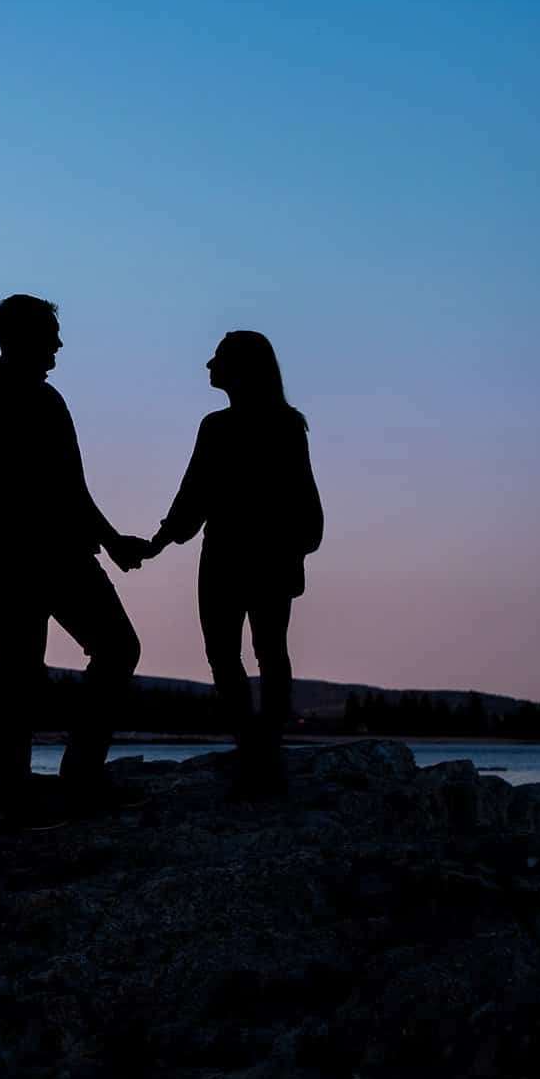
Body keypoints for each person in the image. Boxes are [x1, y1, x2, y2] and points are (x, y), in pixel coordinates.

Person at [0, 295, 156, 825]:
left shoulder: (35, 400)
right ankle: (41, 787)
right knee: (58, 662)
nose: (59, 345)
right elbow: (13, 485)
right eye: (51, 335)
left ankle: (51, 783)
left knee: (76, 658)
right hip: (34, 557)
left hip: (46, 553)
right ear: (20, 337)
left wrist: (110, 541)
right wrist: (104, 539)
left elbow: (72, 488)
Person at [136, 330, 324, 798]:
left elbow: (194, 499)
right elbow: (194, 498)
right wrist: (159, 540)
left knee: (248, 655)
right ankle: (259, 749)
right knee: (251, 654)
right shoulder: (232, 426)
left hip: (245, 561)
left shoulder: (265, 427)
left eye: (217, 358)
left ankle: (259, 749)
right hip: (240, 560)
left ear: (241, 368)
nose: (208, 365)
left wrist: (159, 540)